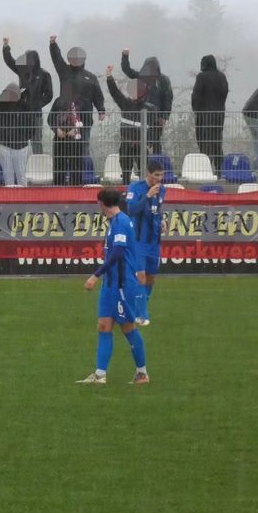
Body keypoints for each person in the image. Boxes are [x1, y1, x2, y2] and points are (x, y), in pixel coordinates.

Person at [76, 188, 149, 385]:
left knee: (128, 327)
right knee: (104, 326)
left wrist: (95, 275)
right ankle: (100, 375)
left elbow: (117, 253)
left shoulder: (121, 222)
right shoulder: (115, 222)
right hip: (111, 284)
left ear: (101, 203)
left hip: (122, 285)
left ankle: (142, 373)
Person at [48, 35, 105, 183]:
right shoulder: (64, 71)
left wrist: (101, 110)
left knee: (79, 157)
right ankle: (59, 186)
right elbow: (56, 59)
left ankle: (77, 185)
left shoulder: (90, 77)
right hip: (63, 123)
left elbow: (98, 95)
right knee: (60, 160)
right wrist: (53, 44)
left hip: (83, 123)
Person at [126, 160, 166, 326]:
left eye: (162, 175)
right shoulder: (135, 188)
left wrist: (162, 221)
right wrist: (147, 196)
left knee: (150, 279)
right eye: (156, 175)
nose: (159, 178)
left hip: (154, 240)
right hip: (138, 240)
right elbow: (131, 210)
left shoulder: (162, 190)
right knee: (140, 277)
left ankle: (136, 308)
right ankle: (142, 315)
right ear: (148, 174)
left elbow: (157, 210)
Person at [1, 40, 53, 154]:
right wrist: (6, 47)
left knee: (36, 141)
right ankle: (21, 168)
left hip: (36, 115)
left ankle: (38, 166)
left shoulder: (44, 74)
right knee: (20, 142)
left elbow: (49, 94)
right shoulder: (22, 71)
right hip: (21, 114)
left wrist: (37, 104)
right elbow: (9, 61)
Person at [105, 65, 155, 183]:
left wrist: (149, 143)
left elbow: (153, 128)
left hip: (142, 145)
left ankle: (143, 192)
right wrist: (109, 77)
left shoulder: (150, 108)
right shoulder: (125, 103)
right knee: (126, 171)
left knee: (144, 171)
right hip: (126, 143)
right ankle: (126, 191)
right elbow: (115, 92)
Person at [121, 50, 173, 155]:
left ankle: (156, 163)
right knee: (139, 139)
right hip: (141, 114)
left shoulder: (163, 80)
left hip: (156, 115)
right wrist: (125, 56)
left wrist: (165, 116)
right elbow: (127, 70)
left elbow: (168, 98)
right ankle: (144, 165)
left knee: (156, 140)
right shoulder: (141, 76)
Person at [0, 80, 32, 185]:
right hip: (4, 146)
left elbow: (31, 124)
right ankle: (10, 199)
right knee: (7, 175)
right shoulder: (1, 104)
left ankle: (23, 198)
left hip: (21, 147)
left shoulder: (24, 106)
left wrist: (25, 137)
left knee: (21, 175)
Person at [190, 55, 230, 175]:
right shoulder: (222, 76)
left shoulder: (201, 77)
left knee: (204, 141)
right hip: (219, 115)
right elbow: (225, 93)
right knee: (217, 142)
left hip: (204, 115)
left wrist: (196, 109)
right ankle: (219, 170)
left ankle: (205, 170)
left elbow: (196, 94)